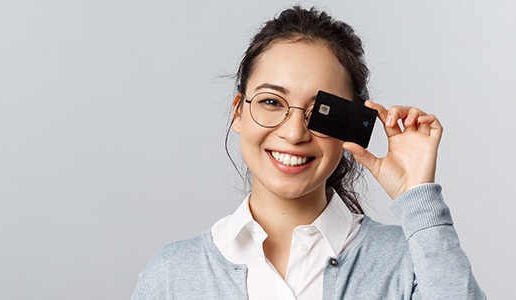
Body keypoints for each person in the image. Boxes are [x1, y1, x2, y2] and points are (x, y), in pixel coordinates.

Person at [132, 6, 485, 300]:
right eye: (271, 102)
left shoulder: (408, 262)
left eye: (321, 112)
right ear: (238, 111)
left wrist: (417, 197)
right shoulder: (173, 277)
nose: (294, 132)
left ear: (350, 125)